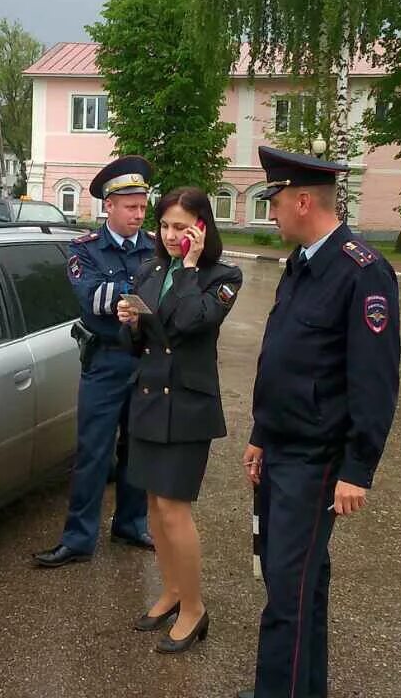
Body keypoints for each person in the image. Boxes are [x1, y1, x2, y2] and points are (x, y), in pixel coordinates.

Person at [236, 146, 401, 698]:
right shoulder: (303, 262)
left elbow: (374, 381)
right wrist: (261, 433)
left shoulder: (362, 271)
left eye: (276, 201)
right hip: (282, 449)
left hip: (317, 458)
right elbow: (282, 357)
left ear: (304, 201)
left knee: (287, 592)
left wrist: (359, 467)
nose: (272, 211)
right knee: (303, 586)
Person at [116, 187, 242, 654]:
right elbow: (141, 343)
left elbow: (191, 322)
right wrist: (129, 321)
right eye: (165, 226)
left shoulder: (222, 276)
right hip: (148, 400)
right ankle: (171, 590)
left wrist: (189, 267)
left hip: (187, 407)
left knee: (175, 509)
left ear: (201, 228)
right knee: (153, 506)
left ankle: (194, 607)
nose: (171, 236)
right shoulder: (150, 268)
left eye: (181, 228)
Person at [32, 156, 156, 568]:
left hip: (142, 362)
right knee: (93, 453)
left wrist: (125, 293)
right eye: (131, 207)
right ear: (109, 206)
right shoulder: (83, 248)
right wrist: (140, 291)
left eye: (143, 206)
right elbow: (93, 300)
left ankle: (131, 523)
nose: (139, 214)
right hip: (103, 364)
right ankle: (79, 538)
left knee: (137, 448)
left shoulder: (155, 247)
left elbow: (160, 298)